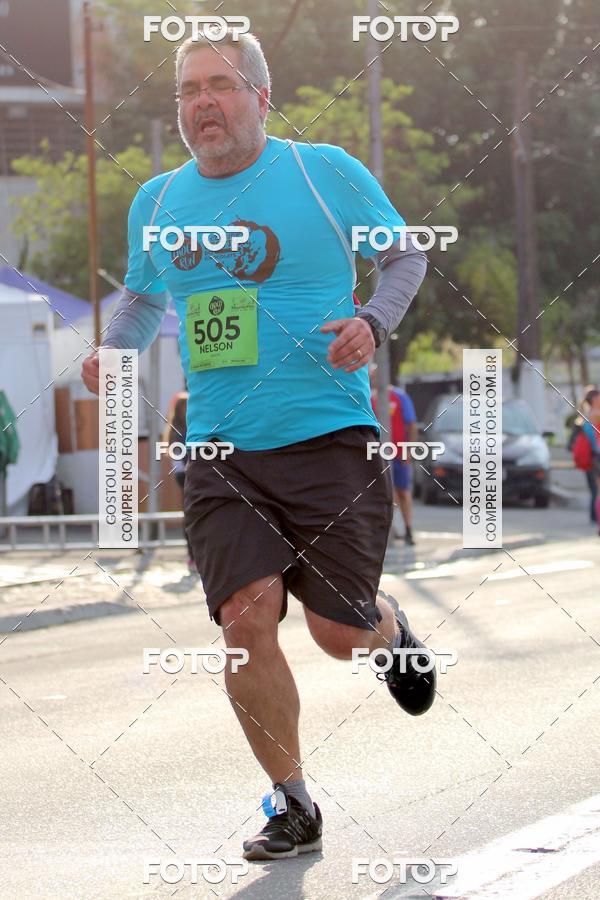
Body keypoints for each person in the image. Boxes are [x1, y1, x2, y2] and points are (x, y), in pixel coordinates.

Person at [82, 28, 432, 861]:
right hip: (218, 450)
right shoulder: (160, 202)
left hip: (329, 437)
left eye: (221, 85)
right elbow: (140, 300)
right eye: (188, 89)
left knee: (336, 635)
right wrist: (111, 347)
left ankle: (387, 632)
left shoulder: (324, 173)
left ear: (262, 97)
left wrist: (373, 323)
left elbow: (407, 258)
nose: (203, 101)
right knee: (246, 617)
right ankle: (293, 803)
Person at [370, 367, 418, 545]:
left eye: (375, 376)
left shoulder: (399, 396)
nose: (373, 379)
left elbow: (411, 425)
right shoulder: (369, 398)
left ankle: (408, 530)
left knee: (403, 492)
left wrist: (408, 449)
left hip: (399, 453)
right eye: (371, 376)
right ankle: (387, 530)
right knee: (384, 494)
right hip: (377, 454)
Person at [163, 390, 196, 571]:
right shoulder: (187, 430)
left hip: (181, 474)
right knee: (194, 515)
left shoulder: (173, 430)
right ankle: (194, 556)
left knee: (189, 515)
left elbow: (174, 456)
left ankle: (192, 557)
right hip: (189, 473)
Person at [569, 386, 598, 523]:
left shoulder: (582, 418)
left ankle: (594, 516)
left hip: (588, 457)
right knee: (596, 490)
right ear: (594, 400)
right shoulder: (595, 415)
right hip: (596, 456)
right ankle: (595, 517)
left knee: (594, 489)